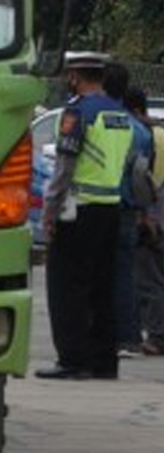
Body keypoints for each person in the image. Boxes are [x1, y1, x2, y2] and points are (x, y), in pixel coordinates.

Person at [37, 51, 144, 380]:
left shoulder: (77, 112)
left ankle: (72, 360)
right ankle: (103, 362)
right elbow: (132, 165)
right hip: (110, 209)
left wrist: (49, 213)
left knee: (67, 287)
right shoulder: (121, 115)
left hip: (78, 210)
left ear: (74, 77)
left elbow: (64, 168)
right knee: (103, 287)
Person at [105, 64, 156, 359]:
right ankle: (130, 336)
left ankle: (111, 335)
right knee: (125, 274)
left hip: (100, 206)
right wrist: (145, 212)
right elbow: (143, 177)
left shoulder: (102, 121)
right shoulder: (141, 131)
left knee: (98, 275)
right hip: (129, 209)